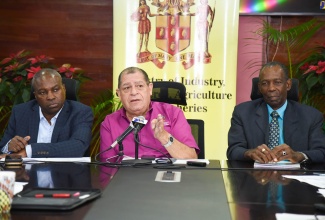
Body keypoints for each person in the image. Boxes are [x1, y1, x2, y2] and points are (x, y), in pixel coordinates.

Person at [227, 61, 325, 163]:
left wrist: (298, 155)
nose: (271, 88)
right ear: (259, 87)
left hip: (295, 175)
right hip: (257, 175)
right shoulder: (243, 113)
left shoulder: (311, 116)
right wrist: (250, 153)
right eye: (265, 83)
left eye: (277, 82)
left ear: (288, 85)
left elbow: (321, 152)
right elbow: (233, 150)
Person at [100, 66, 199, 160]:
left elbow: (191, 157)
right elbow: (107, 165)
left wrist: (164, 136)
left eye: (140, 86)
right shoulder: (110, 122)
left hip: (165, 174)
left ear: (150, 89)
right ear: (119, 94)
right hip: (127, 175)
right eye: (126, 88)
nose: (134, 92)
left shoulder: (173, 113)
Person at [0, 68, 93, 158]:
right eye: (42, 92)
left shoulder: (80, 112)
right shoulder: (20, 112)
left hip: (66, 172)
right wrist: (9, 146)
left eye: (56, 90)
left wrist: (29, 151)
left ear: (64, 88)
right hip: (26, 173)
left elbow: (78, 146)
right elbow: (3, 147)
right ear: (35, 95)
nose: (50, 97)